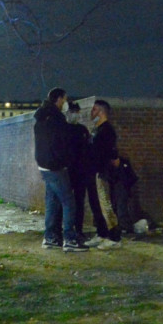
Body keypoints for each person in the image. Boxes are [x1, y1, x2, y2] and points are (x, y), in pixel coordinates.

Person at [34, 88, 88, 252]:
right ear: (58, 99)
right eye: (64, 99)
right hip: (56, 166)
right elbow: (61, 143)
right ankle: (70, 238)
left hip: (44, 165)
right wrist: (65, 160)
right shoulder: (56, 119)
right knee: (68, 202)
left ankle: (50, 237)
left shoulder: (41, 117)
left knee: (52, 200)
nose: (65, 103)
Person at [66, 102, 109, 243]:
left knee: (79, 202)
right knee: (72, 202)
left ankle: (77, 230)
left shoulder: (83, 130)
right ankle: (72, 230)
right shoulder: (73, 130)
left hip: (81, 172)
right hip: (74, 171)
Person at [89, 100, 123, 249]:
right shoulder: (97, 129)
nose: (92, 113)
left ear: (101, 112)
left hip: (103, 172)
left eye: (95, 110)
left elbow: (110, 151)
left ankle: (114, 237)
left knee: (106, 204)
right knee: (97, 204)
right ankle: (102, 233)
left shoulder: (107, 130)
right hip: (95, 171)